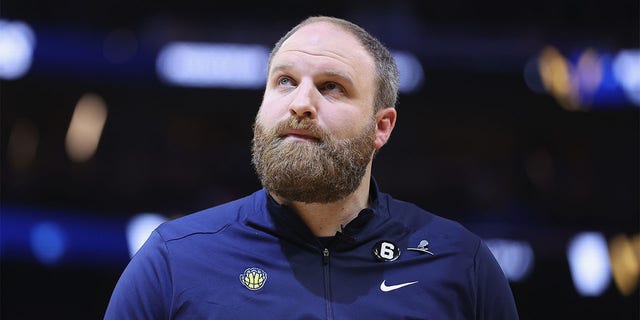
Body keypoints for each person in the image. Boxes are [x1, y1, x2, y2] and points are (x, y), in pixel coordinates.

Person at [104, 16, 519, 319]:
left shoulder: (462, 265)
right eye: (284, 81)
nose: (300, 103)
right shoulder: (172, 261)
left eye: (331, 87)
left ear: (381, 126)